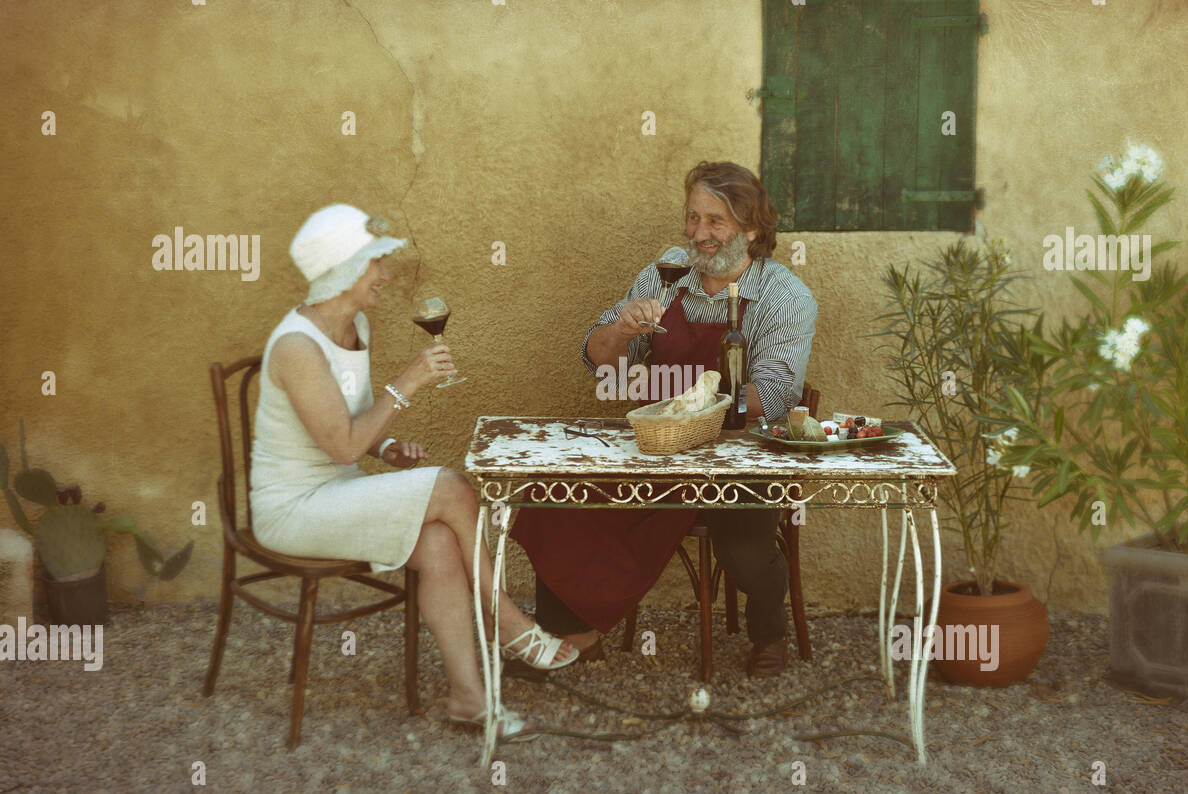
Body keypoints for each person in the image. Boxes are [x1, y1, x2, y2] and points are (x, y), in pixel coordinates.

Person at [249, 204, 576, 741]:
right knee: (452, 487)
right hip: (293, 508)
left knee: (442, 544)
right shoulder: (295, 347)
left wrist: (390, 446)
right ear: (343, 270)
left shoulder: (353, 324)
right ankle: (507, 621)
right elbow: (342, 443)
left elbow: (353, 425)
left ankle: (469, 701)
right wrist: (408, 385)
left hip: (338, 489)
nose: (385, 274)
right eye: (376, 263)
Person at [509, 162, 818, 677]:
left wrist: (679, 399)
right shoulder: (666, 273)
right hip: (656, 444)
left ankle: (770, 628)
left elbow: (773, 395)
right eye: (692, 218)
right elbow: (601, 364)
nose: (698, 234)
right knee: (560, 495)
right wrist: (624, 333)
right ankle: (573, 635)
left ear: (753, 229)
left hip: (737, 454)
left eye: (715, 222)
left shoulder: (785, 297)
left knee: (745, 554)